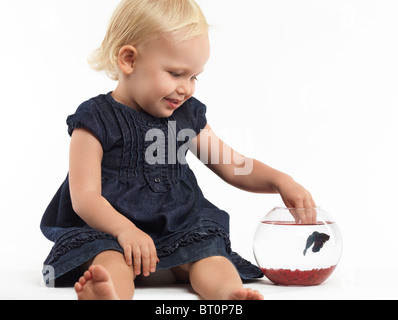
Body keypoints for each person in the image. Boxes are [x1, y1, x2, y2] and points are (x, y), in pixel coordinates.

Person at [40, 0, 316, 300]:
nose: (187, 88)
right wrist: (125, 230)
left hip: (179, 225)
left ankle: (227, 293)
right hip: (111, 229)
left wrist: (280, 180)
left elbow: (232, 164)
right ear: (129, 60)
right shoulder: (95, 119)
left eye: (194, 77)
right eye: (175, 73)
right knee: (108, 258)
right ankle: (109, 292)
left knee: (209, 252)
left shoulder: (184, 116)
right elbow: (85, 198)